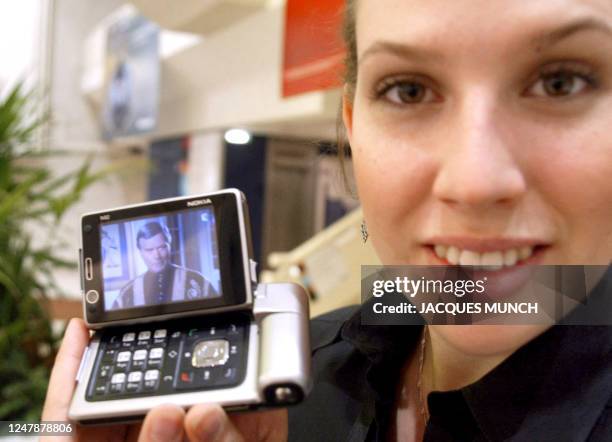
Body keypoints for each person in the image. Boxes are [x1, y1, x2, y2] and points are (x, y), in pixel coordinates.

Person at [43, 0, 611, 440]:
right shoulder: (295, 374)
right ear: (352, 123)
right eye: (408, 90)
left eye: (561, 82)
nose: (474, 182)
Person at [112, 221, 218, 310]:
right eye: (149, 250)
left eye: (162, 247)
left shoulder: (199, 282)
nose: (157, 256)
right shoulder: (126, 293)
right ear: (140, 252)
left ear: (169, 246)